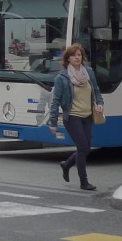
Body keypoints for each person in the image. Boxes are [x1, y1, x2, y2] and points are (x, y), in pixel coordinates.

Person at [47, 43, 105, 191]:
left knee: (85, 149)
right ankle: (83, 182)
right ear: (68, 59)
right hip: (72, 117)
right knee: (83, 147)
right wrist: (53, 122)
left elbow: (96, 91)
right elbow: (55, 101)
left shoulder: (89, 73)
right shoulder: (62, 78)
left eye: (79, 55)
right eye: (73, 55)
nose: (77, 58)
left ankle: (66, 165)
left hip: (88, 116)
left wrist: (100, 103)